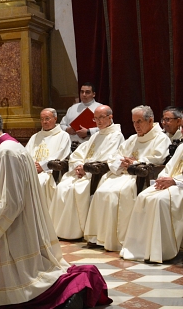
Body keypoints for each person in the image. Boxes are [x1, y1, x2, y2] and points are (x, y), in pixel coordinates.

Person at [0, 109, 110, 309]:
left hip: (17, 228)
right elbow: (2, 193)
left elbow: (10, 204)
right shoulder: (8, 148)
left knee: (29, 284)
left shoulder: (6, 153)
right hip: (22, 222)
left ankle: (74, 290)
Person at [84, 106, 170, 252]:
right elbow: (116, 155)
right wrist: (121, 162)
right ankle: (98, 237)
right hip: (122, 174)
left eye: (140, 121)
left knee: (114, 194)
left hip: (138, 177)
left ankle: (118, 240)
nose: (136, 125)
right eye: (134, 122)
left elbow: (157, 159)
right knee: (101, 191)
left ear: (150, 120)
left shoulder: (161, 138)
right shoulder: (133, 139)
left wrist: (134, 163)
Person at [50, 105, 124, 240]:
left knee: (76, 188)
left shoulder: (115, 136)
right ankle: (60, 230)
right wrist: (78, 165)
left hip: (96, 174)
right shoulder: (96, 135)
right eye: (95, 118)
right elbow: (80, 152)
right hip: (83, 171)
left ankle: (78, 231)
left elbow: (108, 158)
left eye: (101, 118)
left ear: (110, 117)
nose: (98, 121)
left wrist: (86, 169)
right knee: (62, 187)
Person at [120, 142, 183, 264]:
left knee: (160, 200)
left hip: (180, 185)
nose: (181, 131)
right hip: (172, 183)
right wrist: (162, 178)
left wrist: (175, 181)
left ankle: (160, 251)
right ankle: (142, 249)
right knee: (143, 196)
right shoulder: (181, 146)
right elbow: (168, 168)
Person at [25, 108, 71, 207]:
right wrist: (31, 165)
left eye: (47, 118)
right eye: (41, 119)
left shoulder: (63, 136)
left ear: (55, 118)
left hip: (49, 171)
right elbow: (26, 154)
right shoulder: (35, 137)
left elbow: (60, 154)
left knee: (39, 182)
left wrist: (42, 166)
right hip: (31, 170)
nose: (44, 122)